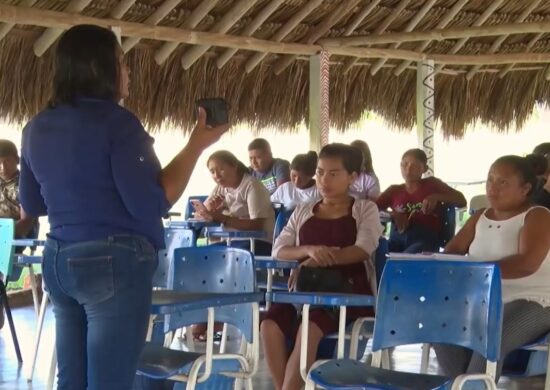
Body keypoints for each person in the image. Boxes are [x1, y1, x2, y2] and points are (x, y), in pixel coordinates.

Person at [19, 25, 228, 390]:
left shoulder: (35, 127)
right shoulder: (118, 124)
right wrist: (196, 144)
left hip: (58, 261)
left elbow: (32, 203)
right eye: (123, 63)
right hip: (113, 264)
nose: (128, 72)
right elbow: (152, 201)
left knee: (73, 380)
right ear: (102, 68)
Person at [260, 143, 382, 390]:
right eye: (320, 172)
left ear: (352, 177)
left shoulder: (364, 209)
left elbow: (362, 249)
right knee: (269, 325)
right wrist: (308, 250)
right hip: (304, 289)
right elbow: (279, 249)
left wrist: (318, 260)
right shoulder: (304, 210)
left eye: (333, 173)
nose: (324, 179)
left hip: (347, 293)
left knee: (310, 326)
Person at [435, 155, 550, 382]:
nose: (492, 188)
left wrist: (474, 271)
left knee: (491, 338)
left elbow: (527, 264)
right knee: (440, 327)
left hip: (534, 301)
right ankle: (460, 385)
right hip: (481, 299)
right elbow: (453, 252)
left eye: (503, 182)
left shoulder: (537, 216)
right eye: (490, 180)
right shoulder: (480, 217)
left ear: (525, 188)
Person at [377, 148, 466, 253]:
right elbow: (373, 210)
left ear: (425, 168)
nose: (408, 169)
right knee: (379, 251)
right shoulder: (394, 190)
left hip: (425, 240)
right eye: (404, 164)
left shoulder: (432, 184)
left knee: (407, 258)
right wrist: (393, 215)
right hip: (397, 239)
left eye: (414, 165)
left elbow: (461, 200)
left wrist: (436, 197)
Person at [197, 150, 275, 256]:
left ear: (234, 166)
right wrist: (210, 209)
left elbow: (257, 225)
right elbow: (199, 213)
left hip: (257, 242)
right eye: (212, 172)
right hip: (232, 242)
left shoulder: (252, 186)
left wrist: (222, 218)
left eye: (221, 169)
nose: (217, 175)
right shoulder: (221, 187)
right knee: (199, 255)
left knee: (211, 257)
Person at [0, 140, 37, 330]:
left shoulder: (25, 184)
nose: (2, 166)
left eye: (6, 161)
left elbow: (26, 222)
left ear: (16, 160)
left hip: (18, 235)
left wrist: (4, 232)